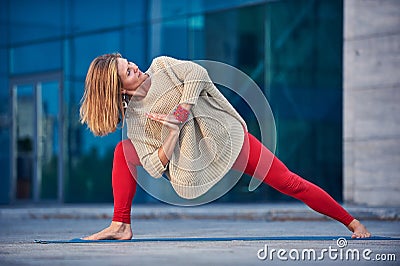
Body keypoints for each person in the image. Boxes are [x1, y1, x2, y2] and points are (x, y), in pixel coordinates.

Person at [79, 53, 371, 240]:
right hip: (193, 162)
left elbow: (198, 75)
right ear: (119, 89)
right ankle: (121, 224)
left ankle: (352, 223)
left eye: (128, 62)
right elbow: (155, 167)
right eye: (127, 72)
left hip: (226, 139)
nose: (134, 66)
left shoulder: (162, 66)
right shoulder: (137, 119)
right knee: (122, 152)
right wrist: (172, 133)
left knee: (289, 182)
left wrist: (181, 111)